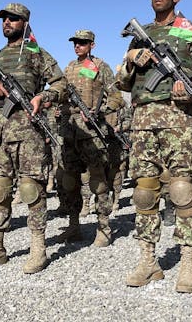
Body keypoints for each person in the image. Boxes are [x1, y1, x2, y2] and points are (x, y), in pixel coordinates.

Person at [116, 0, 192, 292]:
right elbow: (121, 82)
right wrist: (132, 60)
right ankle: (149, 262)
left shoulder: (191, 31)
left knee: (181, 190)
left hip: (178, 117)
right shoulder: (141, 35)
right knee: (145, 192)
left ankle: (188, 262)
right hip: (144, 118)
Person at [0, 3, 65, 274]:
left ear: (25, 22)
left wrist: (42, 97)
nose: (7, 23)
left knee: (30, 189)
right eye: (4, 19)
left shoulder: (37, 54)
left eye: (13, 19)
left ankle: (38, 247)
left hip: (29, 131)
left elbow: (60, 84)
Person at [58, 29, 124, 246]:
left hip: (92, 133)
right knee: (70, 181)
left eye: (83, 42)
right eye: (75, 42)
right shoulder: (68, 68)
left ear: (92, 45)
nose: (78, 46)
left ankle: (103, 227)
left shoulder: (100, 67)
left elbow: (116, 97)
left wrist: (99, 113)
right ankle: (74, 225)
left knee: (97, 180)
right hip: (70, 131)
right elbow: (62, 94)